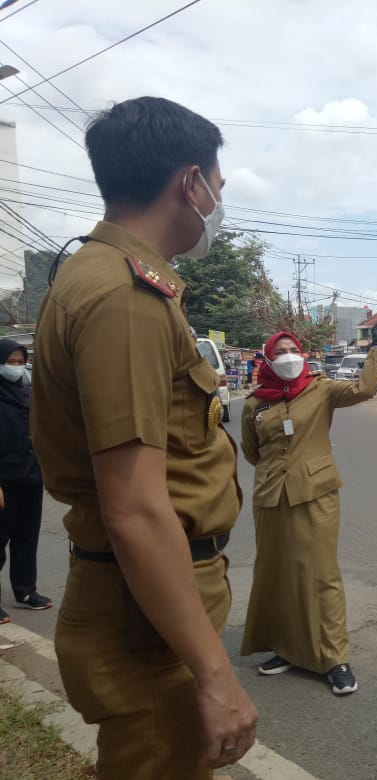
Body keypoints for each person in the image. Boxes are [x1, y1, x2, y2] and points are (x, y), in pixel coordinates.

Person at [30, 96, 256, 778]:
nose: (218, 201)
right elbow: (133, 507)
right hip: (144, 618)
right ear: (189, 183)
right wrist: (216, 676)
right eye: (217, 185)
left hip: (149, 606)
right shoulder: (124, 298)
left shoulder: (108, 279)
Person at [240, 326, 377, 696]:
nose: (289, 356)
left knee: (321, 574)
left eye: (294, 349)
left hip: (315, 494)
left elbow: (364, 389)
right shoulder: (255, 402)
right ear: (268, 359)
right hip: (271, 496)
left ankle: (334, 657)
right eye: (281, 351)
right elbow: (251, 450)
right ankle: (286, 649)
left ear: (303, 354)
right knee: (278, 574)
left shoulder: (321, 389)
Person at [0, 339, 52, 623]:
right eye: (11, 362)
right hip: (4, 480)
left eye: (21, 362)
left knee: (26, 539)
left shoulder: (27, 393)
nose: (16, 368)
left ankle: (25, 591)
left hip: (31, 477)